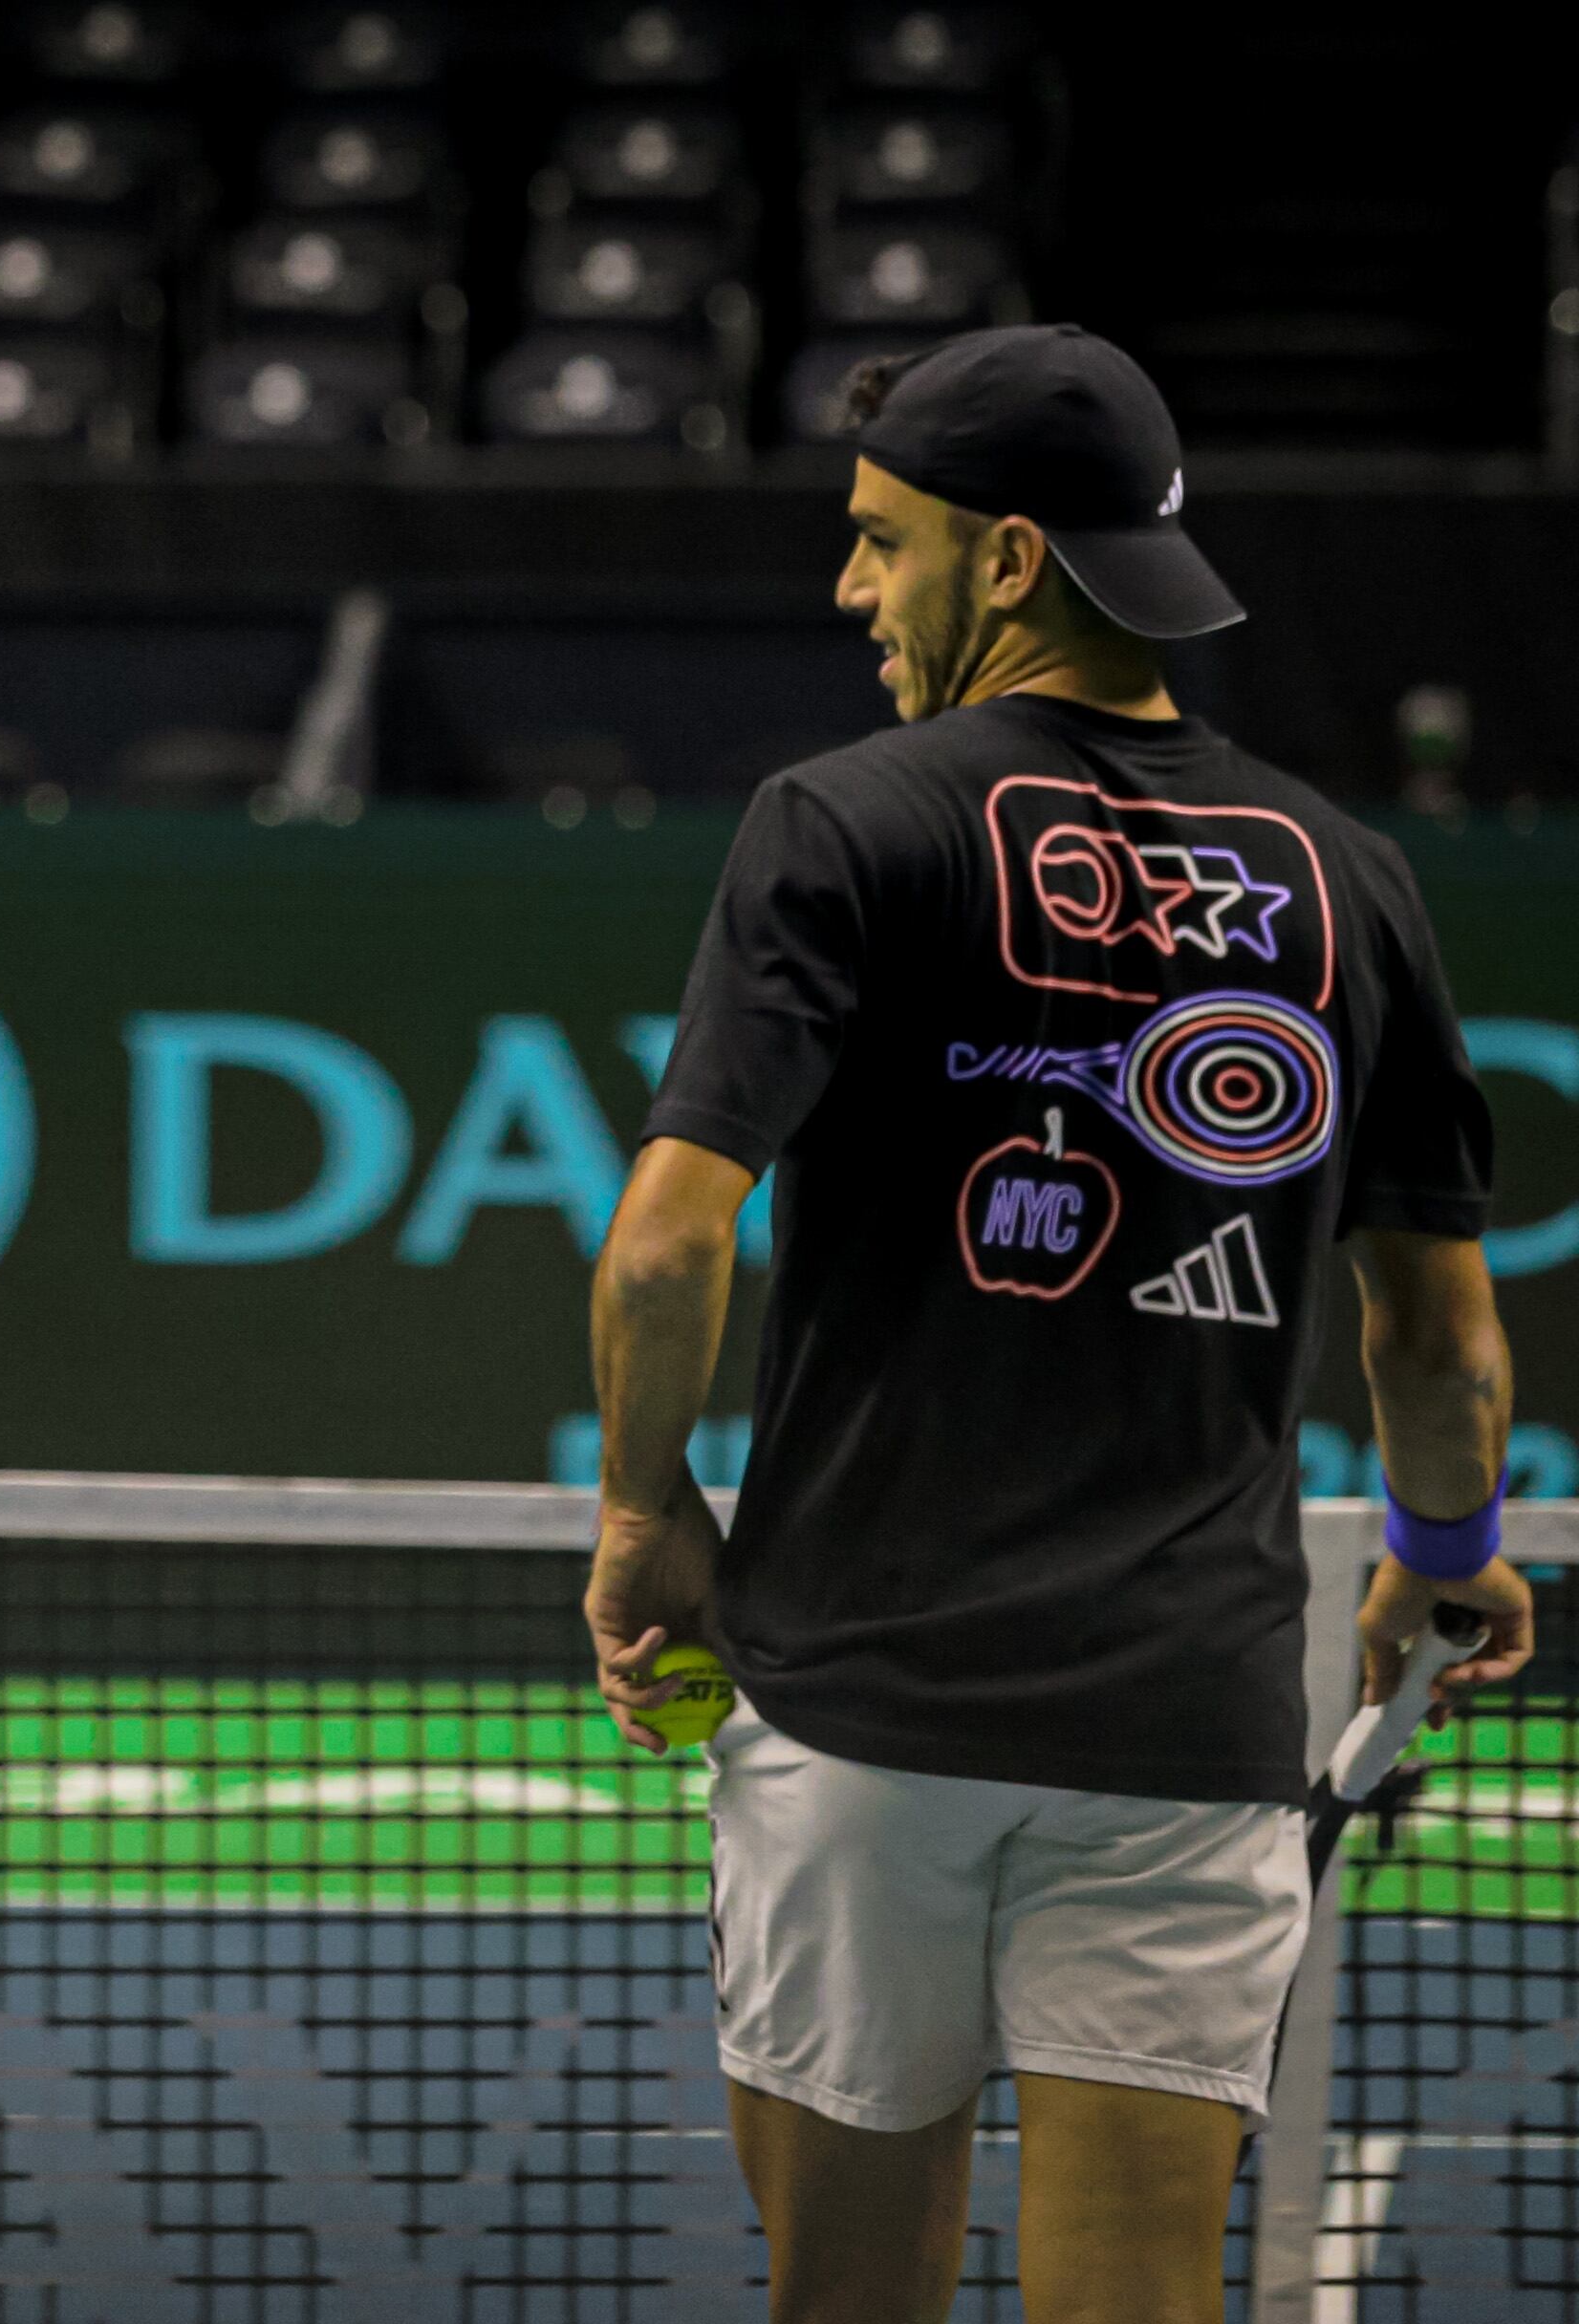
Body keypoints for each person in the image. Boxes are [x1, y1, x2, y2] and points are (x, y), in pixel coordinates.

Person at [581, 325, 1538, 2322]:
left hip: (860, 1711)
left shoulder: (844, 819)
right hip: (1178, 1728)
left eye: (880, 542)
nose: (855, 590)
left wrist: (644, 1508)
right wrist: (1440, 1558)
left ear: (1007, 561)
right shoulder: (1351, 880)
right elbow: (1439, 1343)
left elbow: (671, 1244)